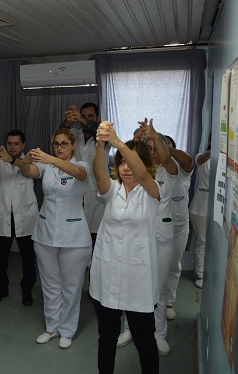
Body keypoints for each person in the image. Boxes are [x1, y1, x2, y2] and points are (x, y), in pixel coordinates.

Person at [90, 121, 160, 374]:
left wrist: (118, 142)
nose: (126, 168)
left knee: (145, 341)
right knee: (106, 339)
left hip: (138, 280)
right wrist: (101, 144)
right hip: (108, 276)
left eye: (131, 162)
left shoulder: (152, 193)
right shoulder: (112, 192)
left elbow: (142, 175)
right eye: (121, 162)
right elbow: (98, 174)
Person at [20, 128, 91, 349]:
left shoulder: (82, 165)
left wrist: (50, 158)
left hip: (74, 238)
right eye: (56, 144)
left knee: (71, 286)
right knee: (50, 285)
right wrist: (16, 160)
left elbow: (79, 173)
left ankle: (67, 330)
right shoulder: (47, 167)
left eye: (63, 144)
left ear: (72, 146)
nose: (59, 147)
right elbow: (29, 171)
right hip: (45, 234)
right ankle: (52, 327)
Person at [118, 119, 177, 357]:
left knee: (159, 289)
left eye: (155, 147)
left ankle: (158, 333)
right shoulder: (131, 174)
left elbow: (164, 158)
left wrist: (154, 135)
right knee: (131, 285)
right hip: (136, 238)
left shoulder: (168, 171)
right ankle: (128, 328)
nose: (152, 152)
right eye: (148, 148)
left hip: (161, 239)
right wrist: (141, 140)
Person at [0, 129, 38, 306]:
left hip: (25, 217)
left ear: (23, 145)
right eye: (10, 143)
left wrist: (13, 160)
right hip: (4, 216)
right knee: (1, 257)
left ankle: (27, 289)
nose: (13, 147)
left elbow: (26, 170)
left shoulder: (30, 160)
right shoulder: (0, 160)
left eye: (16, 144)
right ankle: (2, 288)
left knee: (28, 257)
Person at [61, 103, 109, 248]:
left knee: (98, 232)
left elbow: (95, 130)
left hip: (98, 192)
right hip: (78, 190)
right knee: (78, 231)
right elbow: (60, 135)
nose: (87, 119)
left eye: (90, 116)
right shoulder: (75, 134)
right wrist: (67, 122)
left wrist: (82, 120)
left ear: (97, 117)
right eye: (83, 116)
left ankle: (95, 262)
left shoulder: (103, 135)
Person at [163, 135, 194, 320]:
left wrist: (167, 149)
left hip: (179, 226)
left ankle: (168, 301)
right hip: (156, 225)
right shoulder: (155, 169)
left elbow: (189, 160)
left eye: (169, 146)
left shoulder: (183, 169)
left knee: (173, 264)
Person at [189, 142, 211, 289]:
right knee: (202, 241)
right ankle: (200, 274)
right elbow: (200, 159)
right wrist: (216, 147)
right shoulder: (202, 157)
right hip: (201, 207)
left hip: (219, 206)